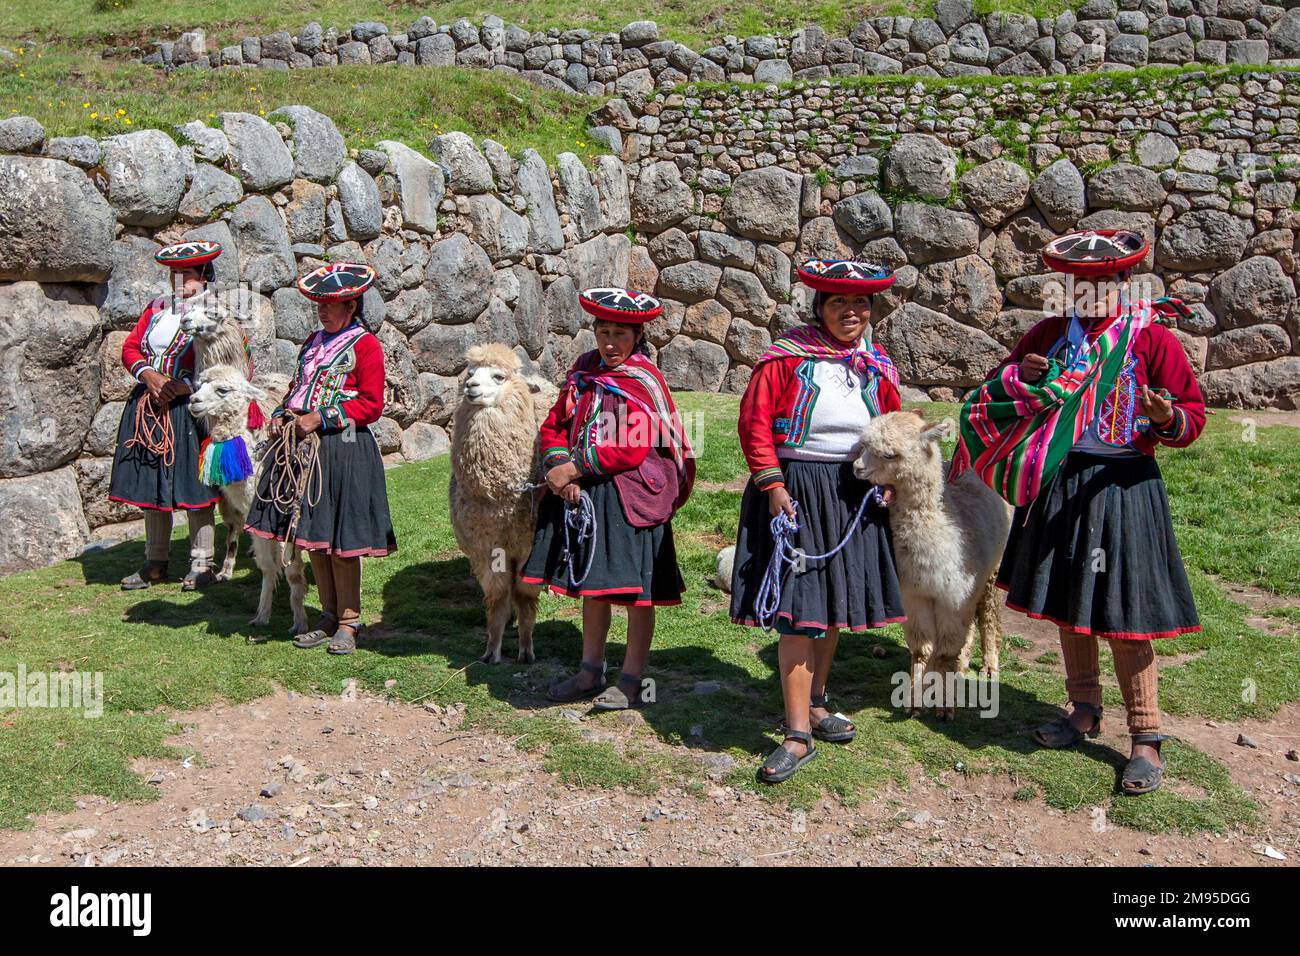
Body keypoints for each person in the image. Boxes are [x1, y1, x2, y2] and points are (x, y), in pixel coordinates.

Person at [954, 228, 1205, 795]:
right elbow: (996, 389)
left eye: (1103, 282)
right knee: (1071, 603)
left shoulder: (1152, 340)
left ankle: (1146, 736)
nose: (1091, 292)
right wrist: (1026, 377)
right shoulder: (1048, 334)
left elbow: (1192, 417)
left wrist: (1165, 417)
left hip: (1123, 486)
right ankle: (1083, 708)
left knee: (1125, 614)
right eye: (1079, 283)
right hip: (1063, 480)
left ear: (1123, 282)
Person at [730, 260, 906, 784]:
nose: (850, 312)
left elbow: (892, 423)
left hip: (855, 492)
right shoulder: (786, 358)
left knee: (831, 606)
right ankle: (796, 733)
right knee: (799, 611)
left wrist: (892, 476)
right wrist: (773, 484)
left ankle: (819, 702)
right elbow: (754, 421)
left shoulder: (875, 364)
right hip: (797, 489)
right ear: (819, 308)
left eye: (860, 304)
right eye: (837, 303)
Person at [522, 287, 695, 711]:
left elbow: (632, 445)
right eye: (604, 332)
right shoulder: (584, 371)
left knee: (639, 592)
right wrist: (560, 466)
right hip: (589, 494)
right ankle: (590, 670)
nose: (611, 342)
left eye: (621, 333)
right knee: (594, 586)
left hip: (635, 498)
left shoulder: (641, 379)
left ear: (637, 337)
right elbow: (554, 424)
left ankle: (632, 679)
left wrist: (575, 468)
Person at [245, 263, 396, 655]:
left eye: (330, 306)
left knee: (341, 542)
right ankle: (327, 617)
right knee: (314, 537)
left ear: (351, 305)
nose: (322, 312)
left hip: (342, 450)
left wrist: (321, 417)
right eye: (319, 306)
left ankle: (348, 621)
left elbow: (371, 403)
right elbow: (299, 388)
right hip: (303, 453)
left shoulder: (364, 345)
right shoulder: (313, 342)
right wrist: (282, 415)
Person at [111, 241, 225, 591]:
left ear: (204, 276)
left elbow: (229, 365)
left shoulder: (217, 313)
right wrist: (149, 376)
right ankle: (155, 561)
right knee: (152, 482)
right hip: (149, 407)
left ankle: (202, 563)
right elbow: (131, 347)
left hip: (188, 409)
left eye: (187, 274)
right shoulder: (157, 309)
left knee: (195, 486)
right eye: (175, 274)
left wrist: (184, 385)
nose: (179, 281)